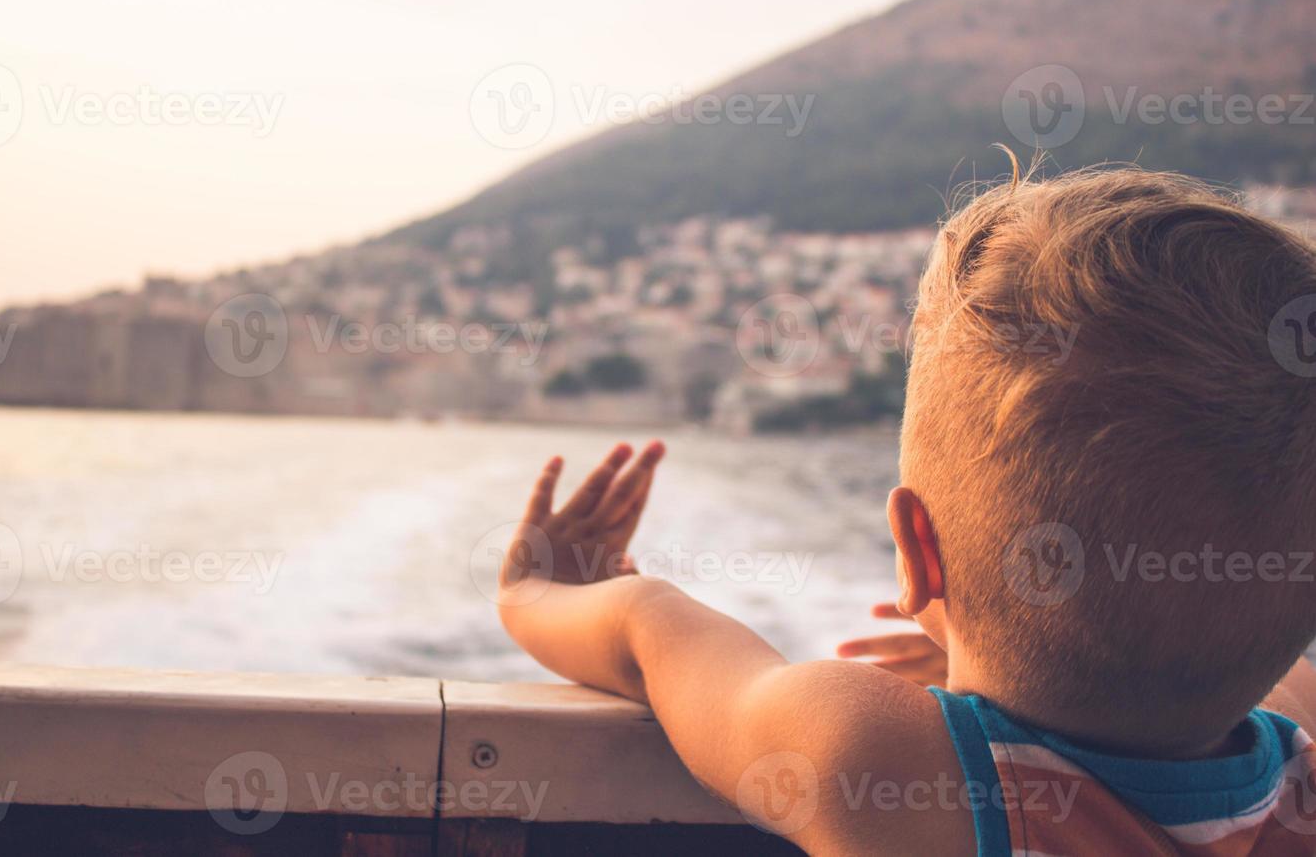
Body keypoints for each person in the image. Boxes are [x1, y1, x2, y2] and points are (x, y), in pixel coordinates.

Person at [496, 167, 1316, 855]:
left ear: (919, 553)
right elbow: (1268, 665)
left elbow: (648, 634)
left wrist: (539, 590)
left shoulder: (888, 764)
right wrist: (1032, 642)